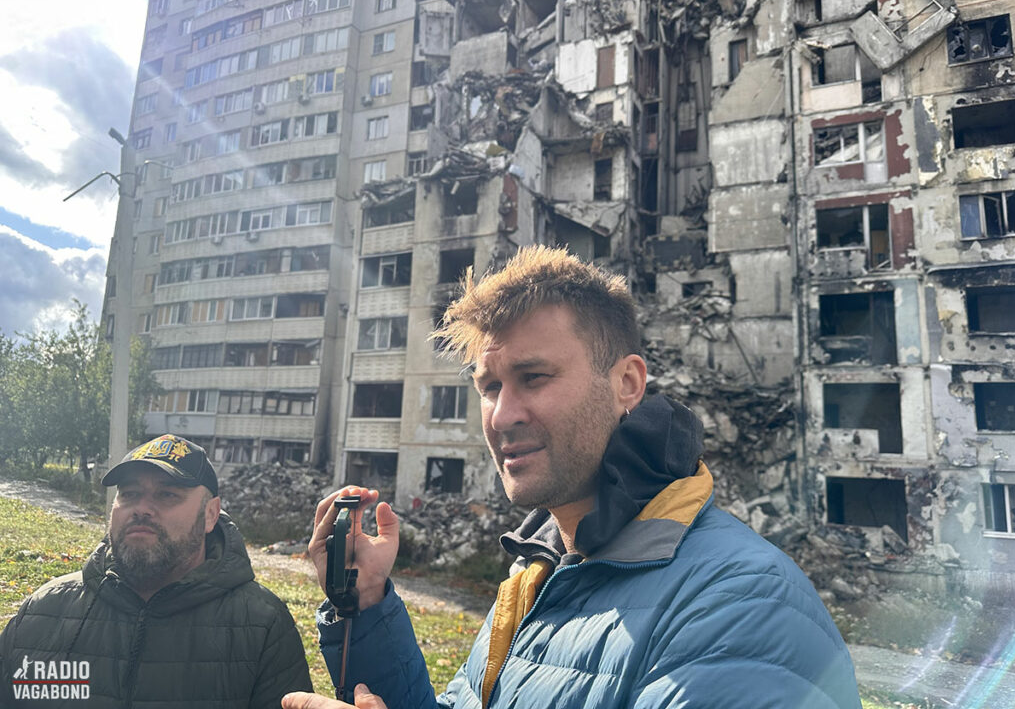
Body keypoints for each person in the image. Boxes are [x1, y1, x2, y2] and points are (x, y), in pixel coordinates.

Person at [282, 246, 862, 709]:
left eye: (533, 377)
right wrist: (366, 599)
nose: (502, 415)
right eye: (489, 387)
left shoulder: (742, 605)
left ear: (628, 384)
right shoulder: (538, 574)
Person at [0, 434, 313, 708]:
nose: (142, 508)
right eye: (130, 494)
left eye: (167, 494)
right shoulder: (45, 610)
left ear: (210, 514)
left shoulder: (262, 627)